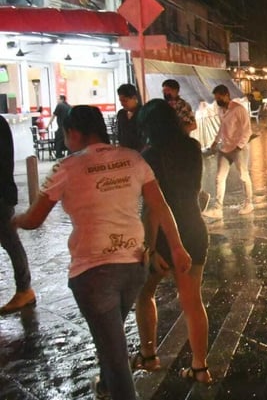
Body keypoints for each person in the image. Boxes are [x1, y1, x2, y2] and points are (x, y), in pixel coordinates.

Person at [12, 105, 191, 400]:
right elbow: (160, 206)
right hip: (134, 267)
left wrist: (15, 220)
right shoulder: (132, 158)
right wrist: (177, 247)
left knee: (116, 354)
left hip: (93, 273)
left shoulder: (66, 168)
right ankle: (106, 386)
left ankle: (115, 387)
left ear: (74, 133)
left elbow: (34, 219)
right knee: (110, 337)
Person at [133, 99, 212, 383]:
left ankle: (149, 355)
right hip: (194, 227)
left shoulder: (149, 156)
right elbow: (197, 189)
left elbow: (153, 208)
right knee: (192, 301)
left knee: (145, 293)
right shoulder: (192, 147)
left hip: (165, 235)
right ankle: (200, 367)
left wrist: (150, 248)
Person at [0, 115, 35, 314]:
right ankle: (24, 288)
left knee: (10, 241)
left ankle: (24, 288)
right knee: (10, 241)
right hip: (4, 193)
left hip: (1, 195)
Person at [205, 85, 253, 218]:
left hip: (239, 149)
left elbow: (247, 130)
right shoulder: (221, 110)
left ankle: (249, 203)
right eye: (216, 98)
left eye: (219, 97)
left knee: (243, 175)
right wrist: (215, 141)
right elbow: (222, 127)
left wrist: (239, 146)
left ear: (226, 95)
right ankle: (217, 208)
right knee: (219, 178)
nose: (217, 100)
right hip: (225, 148)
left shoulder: (239, 109)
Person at [116, 84, 144, 151]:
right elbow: (120, 135)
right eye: (120, 101)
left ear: (134, 98)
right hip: (125, 153)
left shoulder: (144, 113)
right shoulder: (121, 114)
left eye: (125, 101)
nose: (122, 104)